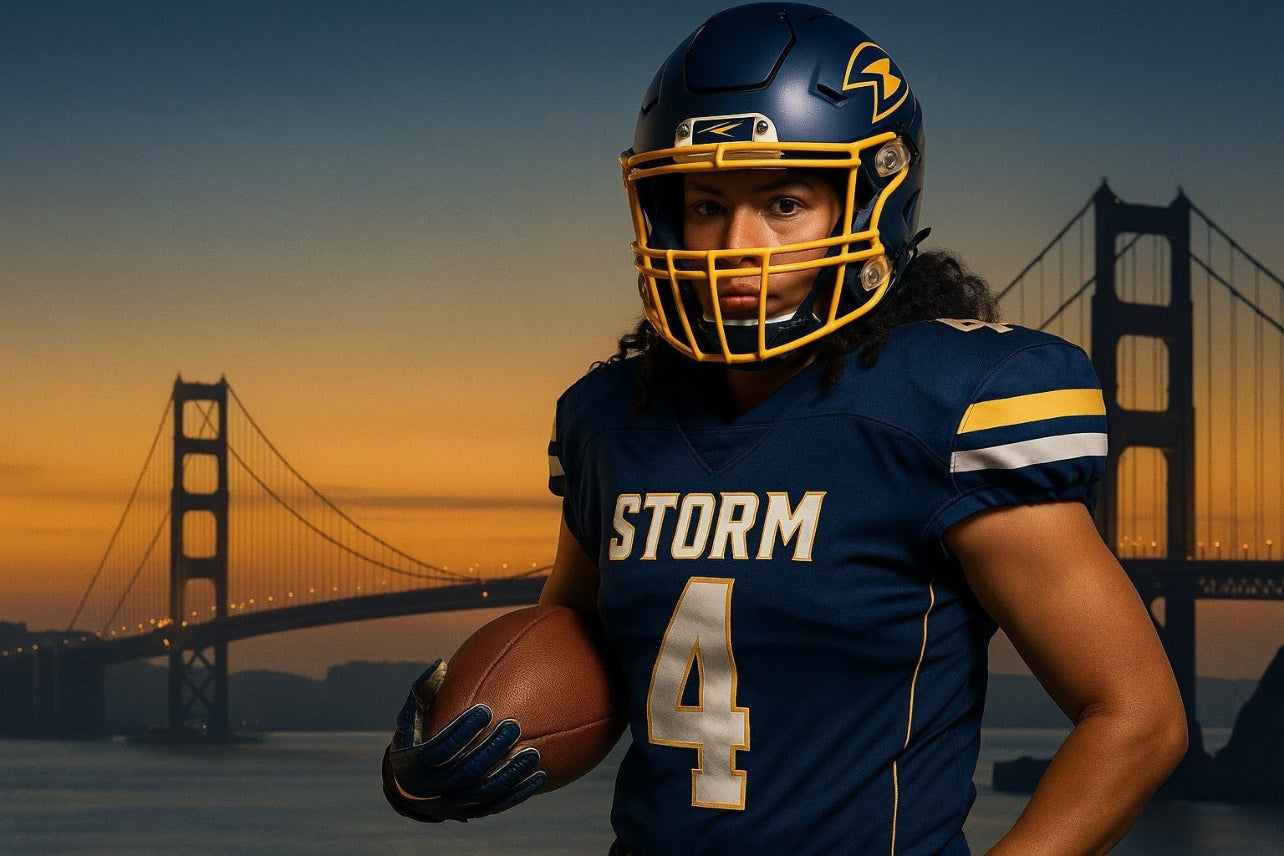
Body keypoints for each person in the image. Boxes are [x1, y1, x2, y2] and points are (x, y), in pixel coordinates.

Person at [382, 3, 1188, 853]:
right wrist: (456, 736)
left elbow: (1137, 719)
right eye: (704, 204)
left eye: (786, 202)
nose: (737, 245)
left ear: (869, 198)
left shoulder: (948, 409)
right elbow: (587, 670)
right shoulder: (609, 422)